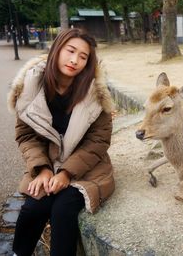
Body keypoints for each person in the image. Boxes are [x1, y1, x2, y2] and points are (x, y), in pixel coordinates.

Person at [7, 28, 115, 256]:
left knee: (63, 209)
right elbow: (26, 136)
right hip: (48, 161)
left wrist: (66, 173)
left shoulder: (95, 92)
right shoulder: (31, 87)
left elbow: (98, 141)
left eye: (83, 57)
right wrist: (43, 169)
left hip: (87, 167)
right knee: (35, 205)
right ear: (57, 50)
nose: (75, 60)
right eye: (71, 51)